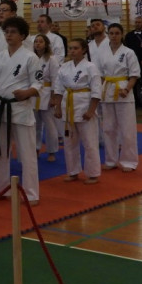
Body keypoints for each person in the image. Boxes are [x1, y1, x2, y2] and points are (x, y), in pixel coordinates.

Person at [0, 16, 42, 204]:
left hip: (21, 108)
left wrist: (27, 92)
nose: (9, 35)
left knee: (27, 154)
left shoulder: (30, 57)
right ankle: (0, 189)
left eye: (13, 32)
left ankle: (31, 194)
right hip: (1, 108)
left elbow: (38, 83)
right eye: (6, 32)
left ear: (22, 35)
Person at [52, 39, 102, 184]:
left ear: (84, 50)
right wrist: (57, 107)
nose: (72, 51)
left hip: (84, 105)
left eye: (75, 48)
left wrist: (91, 110)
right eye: (70, 48)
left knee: (90, 142)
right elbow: (58, 89)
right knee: (69, 143)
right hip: (68, 106)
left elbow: (96, 90)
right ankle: (73, 171)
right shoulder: (64, 67)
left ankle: (93, 173)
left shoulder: (91, 67)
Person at [97, 23, 140, 172]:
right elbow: (100, 75)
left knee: (127, 129)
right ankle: (111, 160)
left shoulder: (128, 52)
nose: (114, 36)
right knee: (108, 128)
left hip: (123, 90)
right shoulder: (103, 53)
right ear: (108, 34)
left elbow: (134, 74)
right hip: (107, 90)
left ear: (122, 35)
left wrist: (127, 89)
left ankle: (129, 161)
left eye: (117, 33)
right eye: (111, 33)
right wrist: (98, 92)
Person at [32, 33, 60, 162]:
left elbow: (56, 79)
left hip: (47, 93)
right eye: (36, 41)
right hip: (33, 93)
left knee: (50, 125)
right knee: (34, 125)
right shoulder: (31, 58)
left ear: (46, 44)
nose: (37, 44)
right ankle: (35, 148)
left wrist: (54, 97)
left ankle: (52, 151)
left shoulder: (51, 59)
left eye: (40, 41)